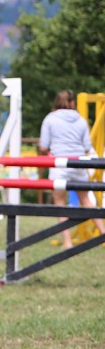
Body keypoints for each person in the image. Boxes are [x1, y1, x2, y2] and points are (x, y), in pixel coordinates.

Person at [38, 89, 105, 248]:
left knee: (61, 203)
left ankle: (67, 241)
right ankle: (103, 233)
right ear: (72, 102)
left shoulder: (50, 119)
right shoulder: (81, 120)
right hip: (79, 164)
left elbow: (43, 146)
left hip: (59, 165)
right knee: (87, 201)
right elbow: (87, 147)